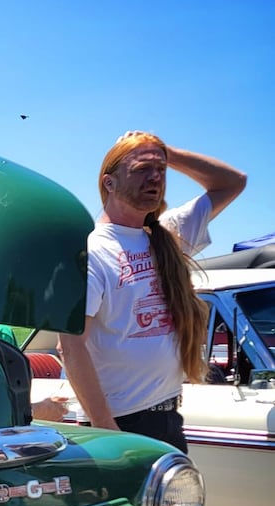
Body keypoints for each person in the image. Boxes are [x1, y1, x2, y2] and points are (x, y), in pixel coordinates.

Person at [60, 132, 246, 452]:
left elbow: (233, 182)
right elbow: (71, 344)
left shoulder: (170, 233)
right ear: (109, 183)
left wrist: (166, 152)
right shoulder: (93, 251)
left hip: (168, 417)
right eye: (142, 169)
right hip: (120, 423)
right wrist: (107, 429)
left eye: (161, 171)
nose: (156, 177)